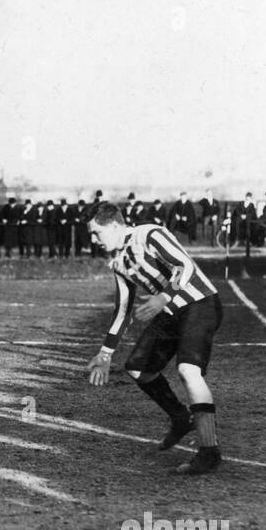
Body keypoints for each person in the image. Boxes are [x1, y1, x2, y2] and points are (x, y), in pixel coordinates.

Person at [84, 203, 224, 474]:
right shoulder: (118, 262)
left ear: (114, 226)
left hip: (200, 303)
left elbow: (185, 266)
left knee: (188, 370)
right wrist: (105, 354)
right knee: (138, 367)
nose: (93, 240)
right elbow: (123, 310)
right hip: (171, 311)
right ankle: (180, 418)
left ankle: (209, 451)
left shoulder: (149, 234)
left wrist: (163, 296)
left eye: (96, 233)